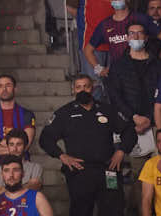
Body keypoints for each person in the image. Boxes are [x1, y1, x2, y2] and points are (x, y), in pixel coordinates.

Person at [38, 75, 134, 216]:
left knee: (114, 210)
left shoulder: (107, 110)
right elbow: (45, 139)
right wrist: (62, 156)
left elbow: (129, 131)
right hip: (79, 172)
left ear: (92, 88)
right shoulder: (64, 113)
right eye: (78, 87)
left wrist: (121, 152)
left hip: (108, 170)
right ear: (73, 90)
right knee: (80, 212)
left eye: (86, 86)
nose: (82, 90)